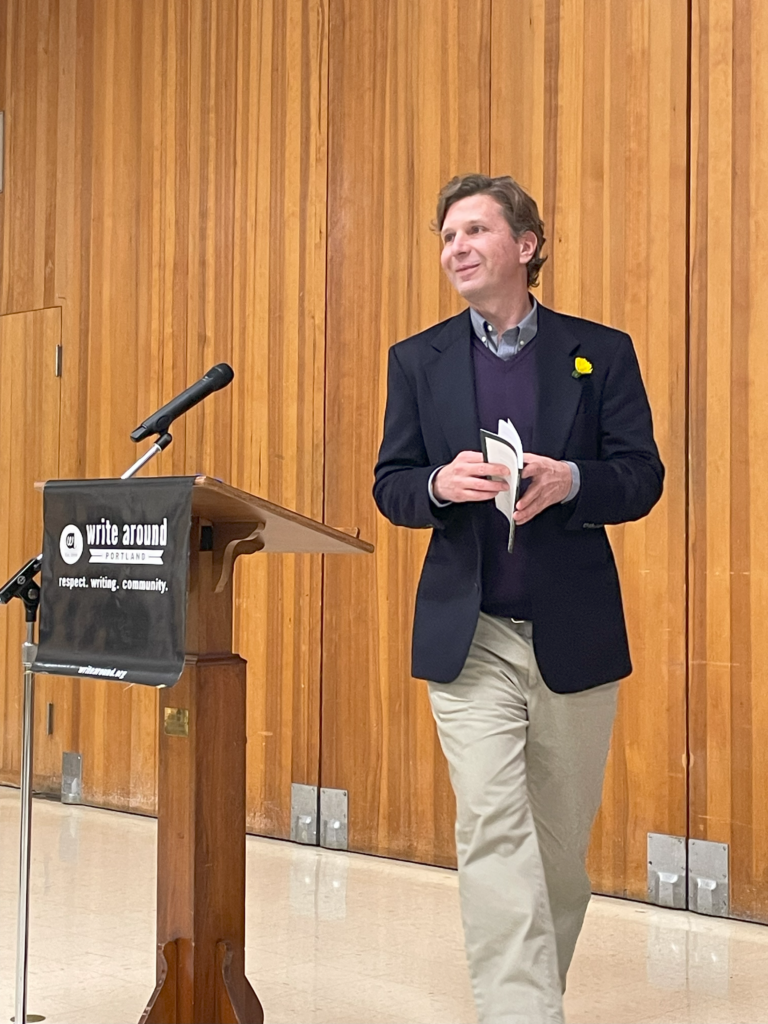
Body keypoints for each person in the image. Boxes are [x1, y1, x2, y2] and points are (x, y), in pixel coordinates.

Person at [373, 174, 664, 1024]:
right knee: (494, 831)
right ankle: (523, 1015)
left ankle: (531, 993)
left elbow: (641, 477)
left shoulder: (598, 352)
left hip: (572, 632)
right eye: (444, 236)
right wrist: (436, 482)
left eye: (472, 231)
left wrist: (575, 478)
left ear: (526, 246)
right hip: (471, 635)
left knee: (559, 852)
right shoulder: (416, 360)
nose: (453, 248)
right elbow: (391, 485)